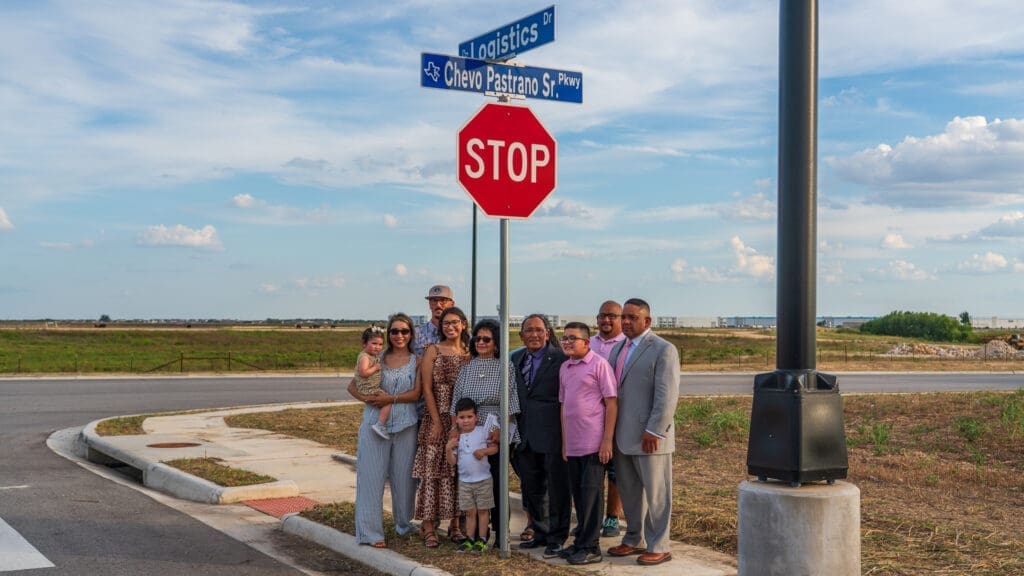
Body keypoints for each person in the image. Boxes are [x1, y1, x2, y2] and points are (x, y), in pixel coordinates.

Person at [606, 298, 679, 566]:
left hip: (650, 437)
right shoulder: (619, 349)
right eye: (623, 317)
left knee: (657, 494)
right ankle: (633, 538)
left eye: (632, 317)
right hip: (623, 436)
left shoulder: (663, 349)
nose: (625, 321)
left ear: (647, 321)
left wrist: (655, 430)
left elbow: (667, 395)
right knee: (629, 491)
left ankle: (659, 544)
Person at [348, 313, 422, 548]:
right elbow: (352, 386)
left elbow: (416, 394)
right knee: (371, 477)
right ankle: (370, 532)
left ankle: (404, 523)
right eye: (394, 331)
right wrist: (370, 400)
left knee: (404, 479)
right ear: (388, 334)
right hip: (374, 423)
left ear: (411, 334)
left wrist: (391, 398)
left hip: (406, 423)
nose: (399, 335)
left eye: (404, 331)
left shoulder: (416, 361)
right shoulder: (375, 357)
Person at [450, 318, 520, 547]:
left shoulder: (505, 367)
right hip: (470, 432)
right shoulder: (467, 369)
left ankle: (501, 534)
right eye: (477, 338)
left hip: (495, 431)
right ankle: (478, 534)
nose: (481, 342)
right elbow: (455, 405)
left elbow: (511, 403)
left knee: (497, 484)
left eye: (486, 339)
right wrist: (456, 432)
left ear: (496, 342)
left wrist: (500, 429)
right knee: (474, 483)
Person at [558, 321, 618, 565]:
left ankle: (592, 547)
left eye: (573, 338)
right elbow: (563, 407)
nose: (568, 342)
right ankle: (581, 540)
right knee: (579, 496)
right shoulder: (565, 368)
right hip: (572, 444)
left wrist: (607, 441)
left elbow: (611, 404)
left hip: (594, 443)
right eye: (564, 338)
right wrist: (564, 443)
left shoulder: (599, 365)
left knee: (592, 495)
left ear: (586, 341)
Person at [512, 314, 570, 559]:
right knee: (531, 488)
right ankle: (540, 532)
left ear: (547, 333)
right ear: (521, 335)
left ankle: (557, 538)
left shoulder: (561, 358)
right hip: (524, 436)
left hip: (552, 434)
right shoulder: (515, 358)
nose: (534, 335)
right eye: (528, 330)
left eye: (538, 330)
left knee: (557, 490)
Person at [413, 307, 471, 548]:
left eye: (455, 322)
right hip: (436, 417)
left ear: (463, 325)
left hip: (461, 421)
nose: (450, 327)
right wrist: (437, 421)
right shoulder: (432, 351)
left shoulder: (469, 353)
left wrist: (459, 423)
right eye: (446, 323)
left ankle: (455, 526)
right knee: (432, 473)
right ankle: (428, 528)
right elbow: (426, 388)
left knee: (457, 472)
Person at [590, 301, 627, 538]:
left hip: (616, 415)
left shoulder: (627, 344)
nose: (607, 320)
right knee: (591, 472)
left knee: (615, 471)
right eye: (603, 316)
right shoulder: (588, 343)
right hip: (590, 417)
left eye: (612, 316)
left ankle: (612, 517)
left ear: (621, 318)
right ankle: (590, 518)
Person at [446, 397, 500, 553]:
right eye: (462, 417)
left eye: (470, 417)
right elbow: (452, 462)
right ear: (456, 419)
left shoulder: (482, 431)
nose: (466, 421)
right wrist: (448, 449)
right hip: (465, 482)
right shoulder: (456, 438)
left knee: (483, 511)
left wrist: (483, 451)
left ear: (476, 417)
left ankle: (482, 539)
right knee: (469, 512)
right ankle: (470, 538)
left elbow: (495, 449)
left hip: (483, 480)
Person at [352, 326, 391, 440]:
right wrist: (375, 368)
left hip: (371, 387)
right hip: (368, 389)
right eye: (374, 343)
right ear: (364, 343)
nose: (377, 347)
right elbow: (363, 372)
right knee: (388, 402)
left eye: (380, 344)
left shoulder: (373, 356)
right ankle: (380, 424)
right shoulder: (365, 357)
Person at [413, 285, 455, 356]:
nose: (438, 305)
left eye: (443, 300)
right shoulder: (416, 334)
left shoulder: (461, 335)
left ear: (452, 304)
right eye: (434, 300)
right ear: (429, 304)